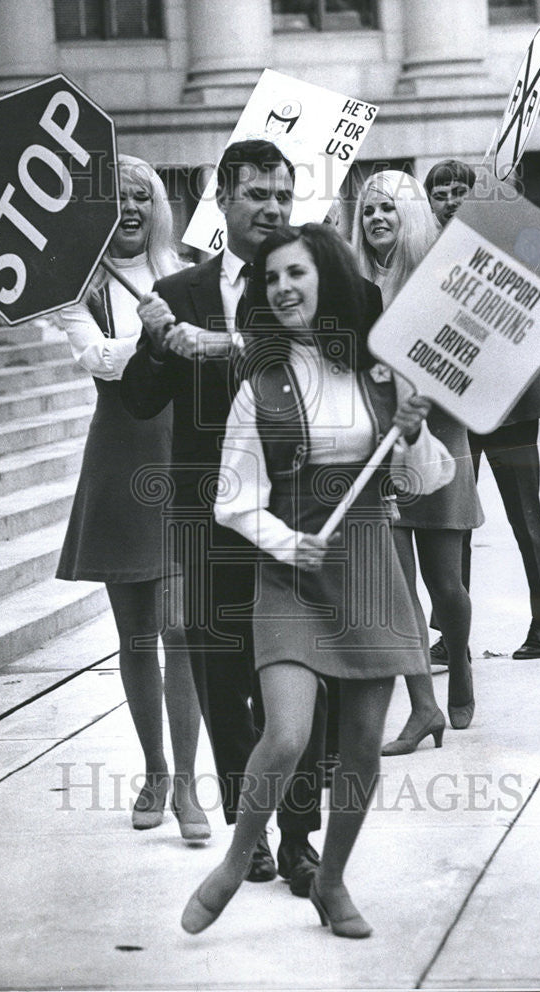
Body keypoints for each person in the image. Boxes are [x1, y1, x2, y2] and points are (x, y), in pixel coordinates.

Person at [180, 223, 454, 938]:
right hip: (290, 572)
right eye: (271, 280)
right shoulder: (258, 386)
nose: (283, 289)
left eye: (295, 273)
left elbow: (421, 483)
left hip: (366, 567)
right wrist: (285, 540)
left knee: (362, 747)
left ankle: (332, 882)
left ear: (324, 277)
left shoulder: (378, 371)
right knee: (287, 732)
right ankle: (238, 860)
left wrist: (416, 432)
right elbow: (231, 500)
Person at [120, 140, 325, 895]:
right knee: (220, 669)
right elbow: (143, 399)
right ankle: (253, 828)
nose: (272, 209)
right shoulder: (179, 289)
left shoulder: (308, 281)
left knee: (301, 676)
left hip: (296, 510)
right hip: (206, 514)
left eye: (282, 195)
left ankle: (302, 837)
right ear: (223, 199)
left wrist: (223, 345)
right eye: (257, 196)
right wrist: (155, 345)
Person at [56, 154, 209, 840]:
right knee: (136, 632)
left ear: (157, 205)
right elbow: (95, 359)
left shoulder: (185, 271)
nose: (129, 207)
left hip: (181, 458)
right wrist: (148, 335)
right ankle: (152, 770)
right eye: (115, 197)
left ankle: (187, 782)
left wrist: (182, 327)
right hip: (119, 457)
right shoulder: (77, 287)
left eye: (141, 195)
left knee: (181, 628)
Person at [352, 168, 481, 734]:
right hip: (378, 445)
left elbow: (469, 361)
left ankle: (462, 664)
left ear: (411, 216)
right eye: (368, 211)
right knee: (400, 584)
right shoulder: (352, 282)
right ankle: (423, 706)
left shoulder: (442, 275)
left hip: (438, 436)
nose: (376, 218)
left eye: (388, 209)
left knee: (445, 584)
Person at [423, 159, 540, 662]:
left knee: (526, 517)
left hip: (510, 404)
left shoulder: (504, 242)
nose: (451, 199)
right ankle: (451, 633)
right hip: (454, 409)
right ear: (429, 201)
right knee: (454, 521)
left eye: (461, 190)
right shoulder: (421, 255)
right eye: (441, 192)